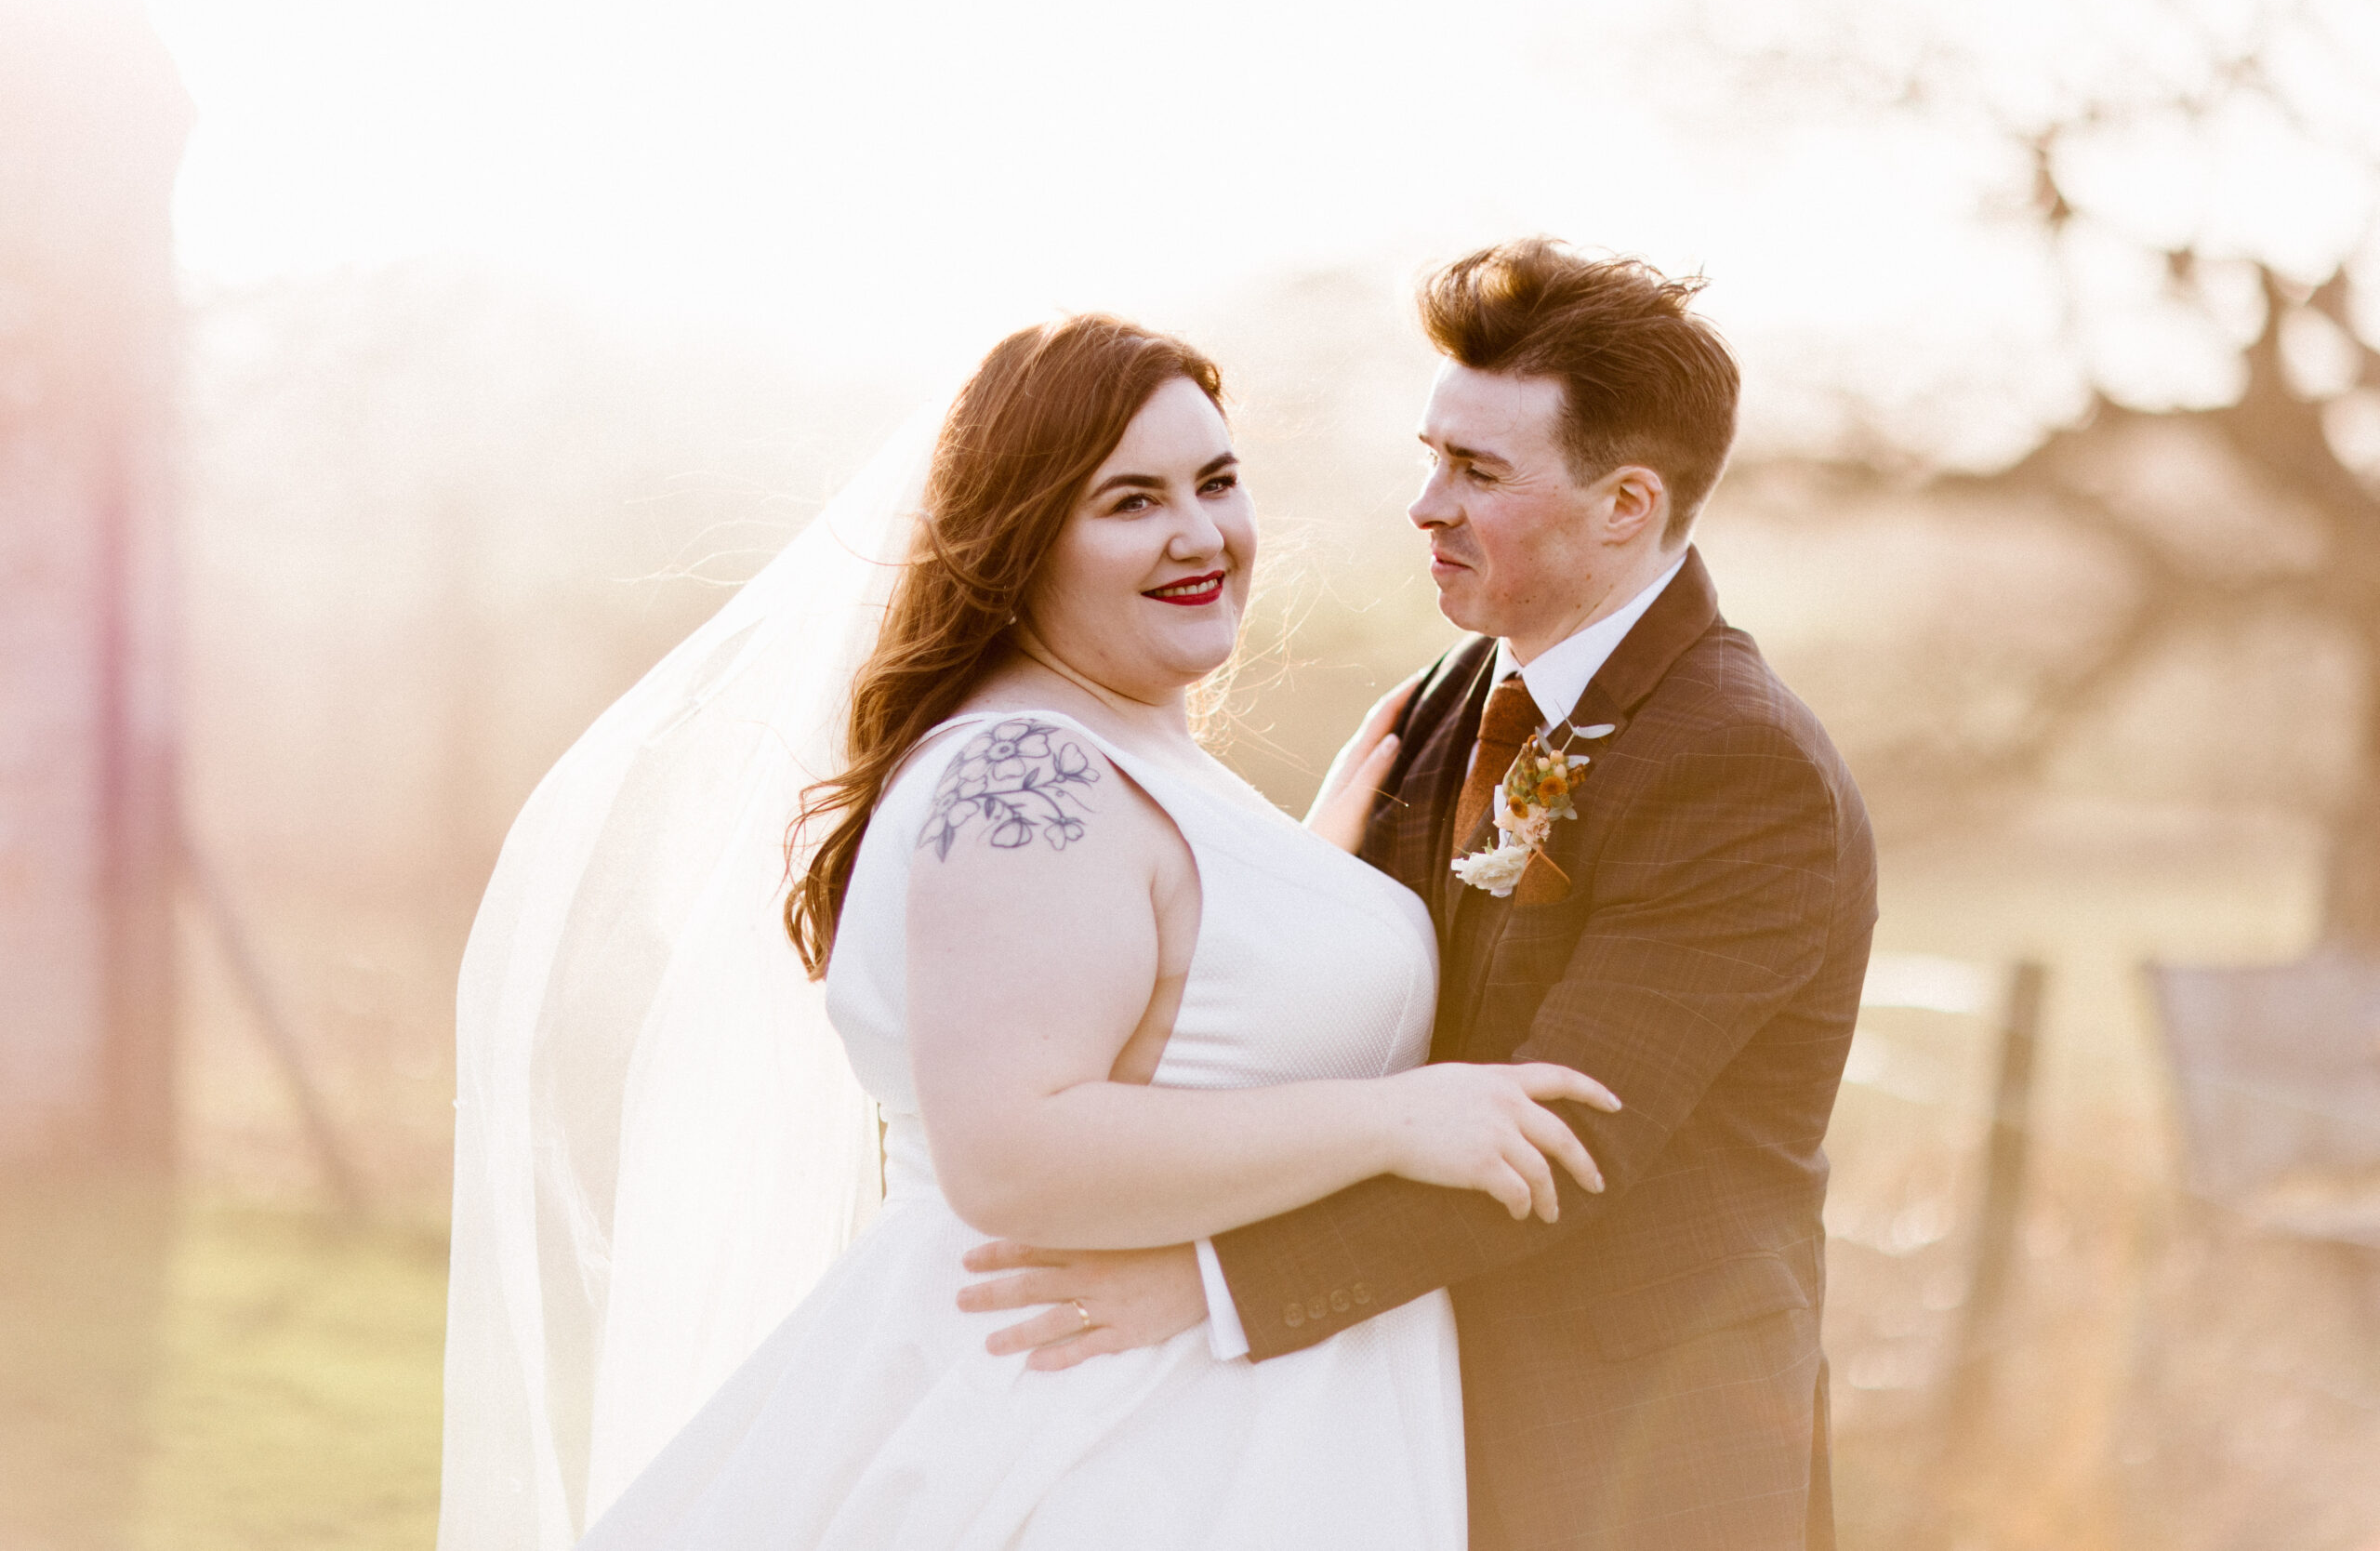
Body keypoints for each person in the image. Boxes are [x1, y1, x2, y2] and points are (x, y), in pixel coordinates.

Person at [443, 311, 1625, 1551]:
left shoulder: (1122, 751)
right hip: (1108, 1447)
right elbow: (1016, 1152)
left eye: (1217, 481)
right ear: (1023, 540)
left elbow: (1173, 1017)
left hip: (1222, 1424)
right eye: (1128, 501)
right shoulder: (1023, 780)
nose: (1198, 533)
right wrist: (1402, 1117)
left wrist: (1308, 876)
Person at [960, 242, 1880, 1551]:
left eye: (1477, 473)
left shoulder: (1741, 767)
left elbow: (1558, 1143)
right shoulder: (1456, 691)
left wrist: (1195, 1284)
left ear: (1626, 507)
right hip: (1404, 1416)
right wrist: (1305, 888)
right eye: (1431, 453)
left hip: (1630, 1454)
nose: (1423, 505)